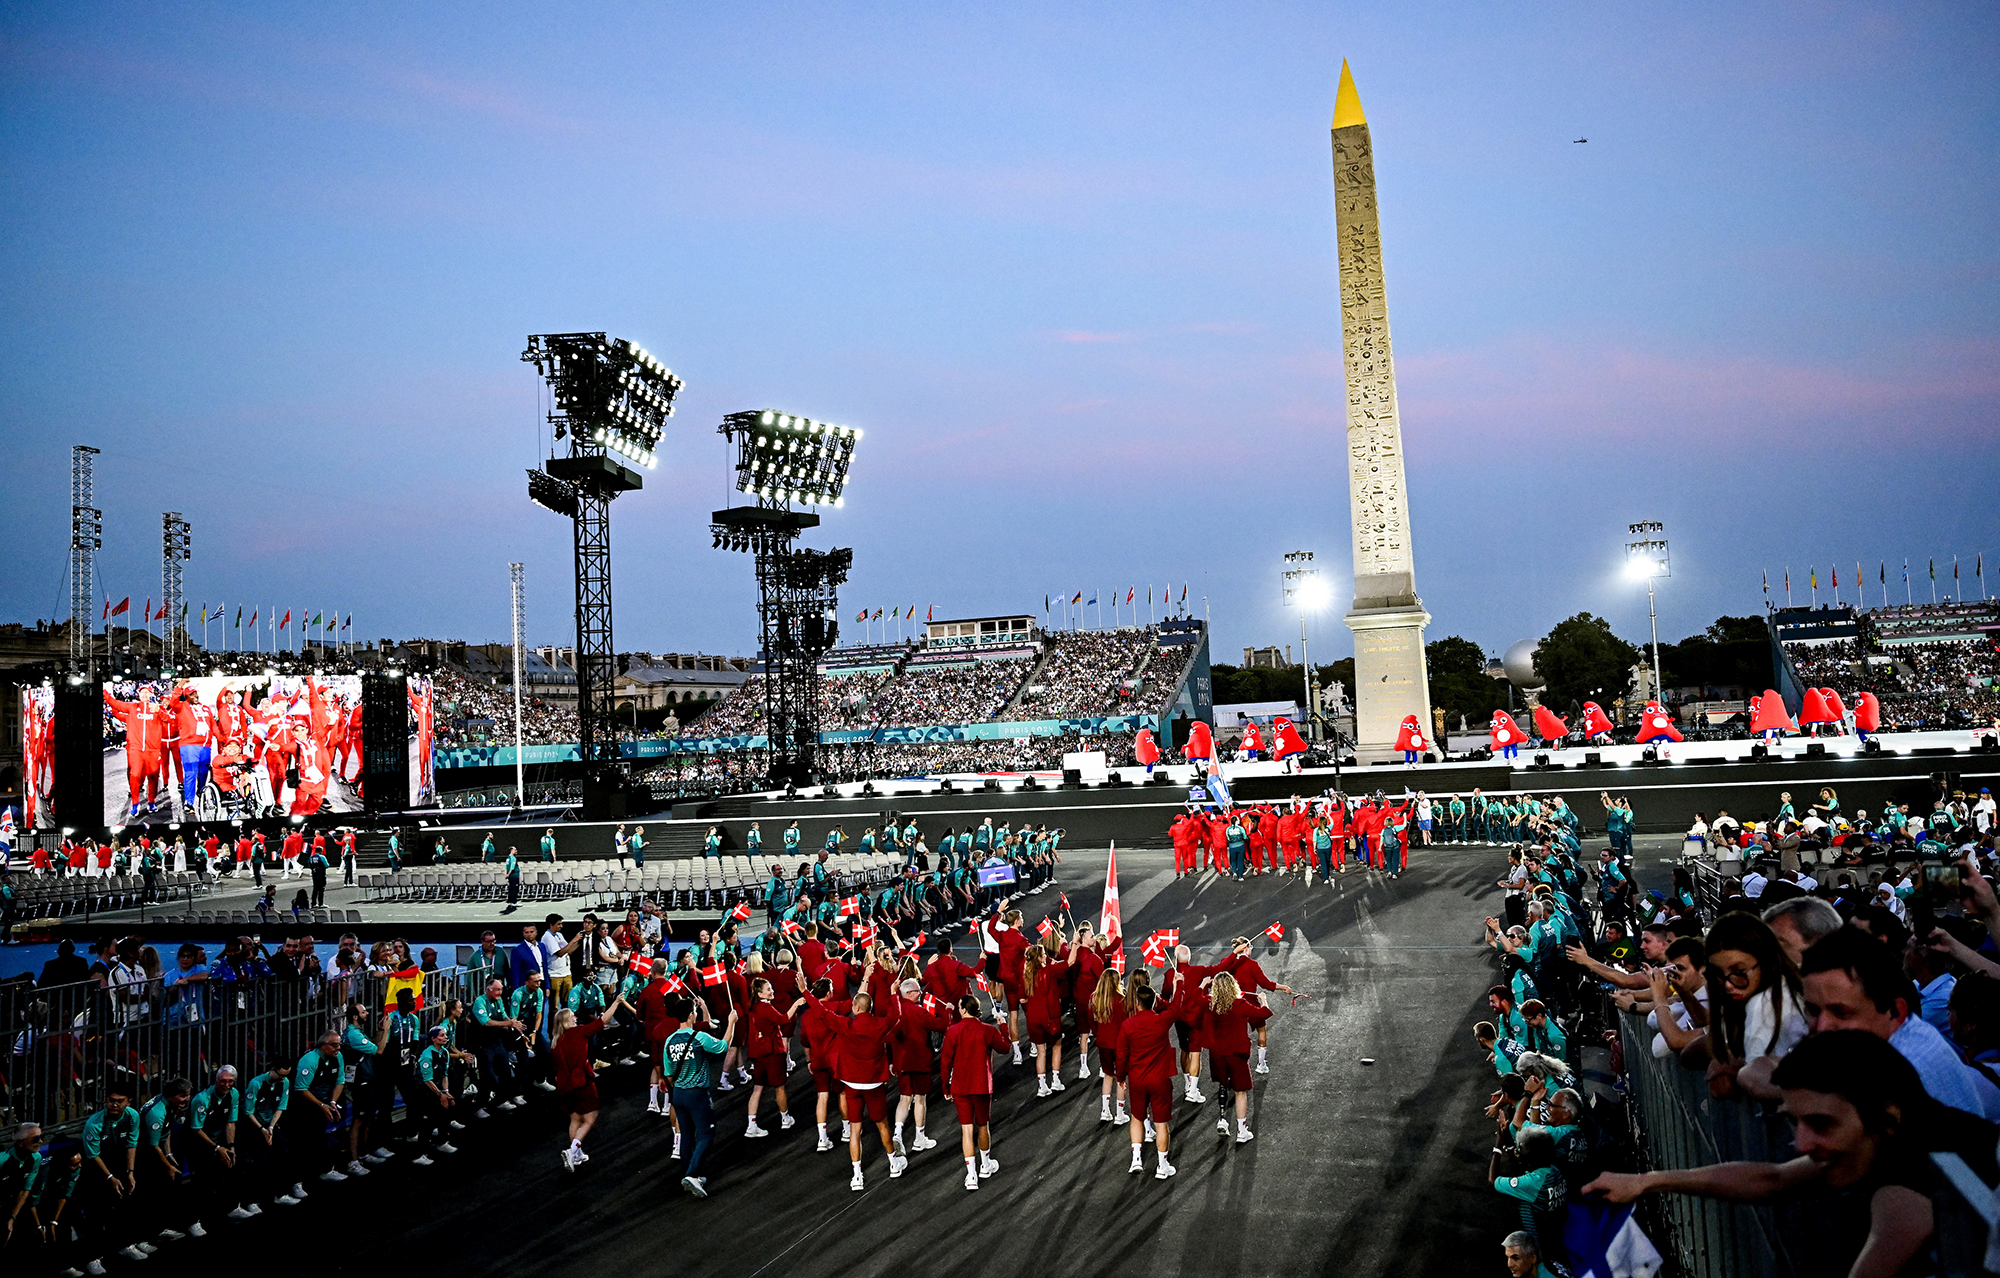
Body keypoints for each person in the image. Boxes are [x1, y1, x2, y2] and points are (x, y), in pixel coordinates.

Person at [1584, 1030, 1999, 1278]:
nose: (1800, 1143)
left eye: (1820, 1125)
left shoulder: (1912, 1188)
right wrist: (1647, 1181)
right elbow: (1774, 1179)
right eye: (1796, 1122)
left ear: (1887, 1117)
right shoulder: (1886, 1134)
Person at [663, 994, 736, 1198]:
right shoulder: (698, 1037)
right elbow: (723, 1047)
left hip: (678, 1093)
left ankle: (687, 1173)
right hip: (697, 1094)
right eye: (694, 1012)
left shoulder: (669, 1040)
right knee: (706, 1134)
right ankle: (693, 1174)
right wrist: (731, 1024)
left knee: (686, 1135)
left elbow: (668, 1074)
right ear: (689, 1015)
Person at [938, 993, 1011, 1190]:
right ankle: (985, 1165)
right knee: (983, 1126)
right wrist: (1003, 1025)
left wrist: (945, 1086)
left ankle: (971, 1176)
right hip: (981, 1086)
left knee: (966, 1130)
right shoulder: (987, 1030)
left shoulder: (953, 1031)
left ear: (963, 1009)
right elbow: (1005, 1048)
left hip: (961, 1087)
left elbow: (945, 1063)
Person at [552, 995, 628, 1171]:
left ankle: (576, 1154)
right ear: (566, 1021)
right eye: (572, 1016)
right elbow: (603, 1021)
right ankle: (572, 1151)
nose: (575, 1018)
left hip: (565, 1086)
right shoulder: (579, 1033)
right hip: (581, 1082)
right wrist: (616, 1002)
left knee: (575, 1118)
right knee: (591, 1117)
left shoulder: (555, 1043)